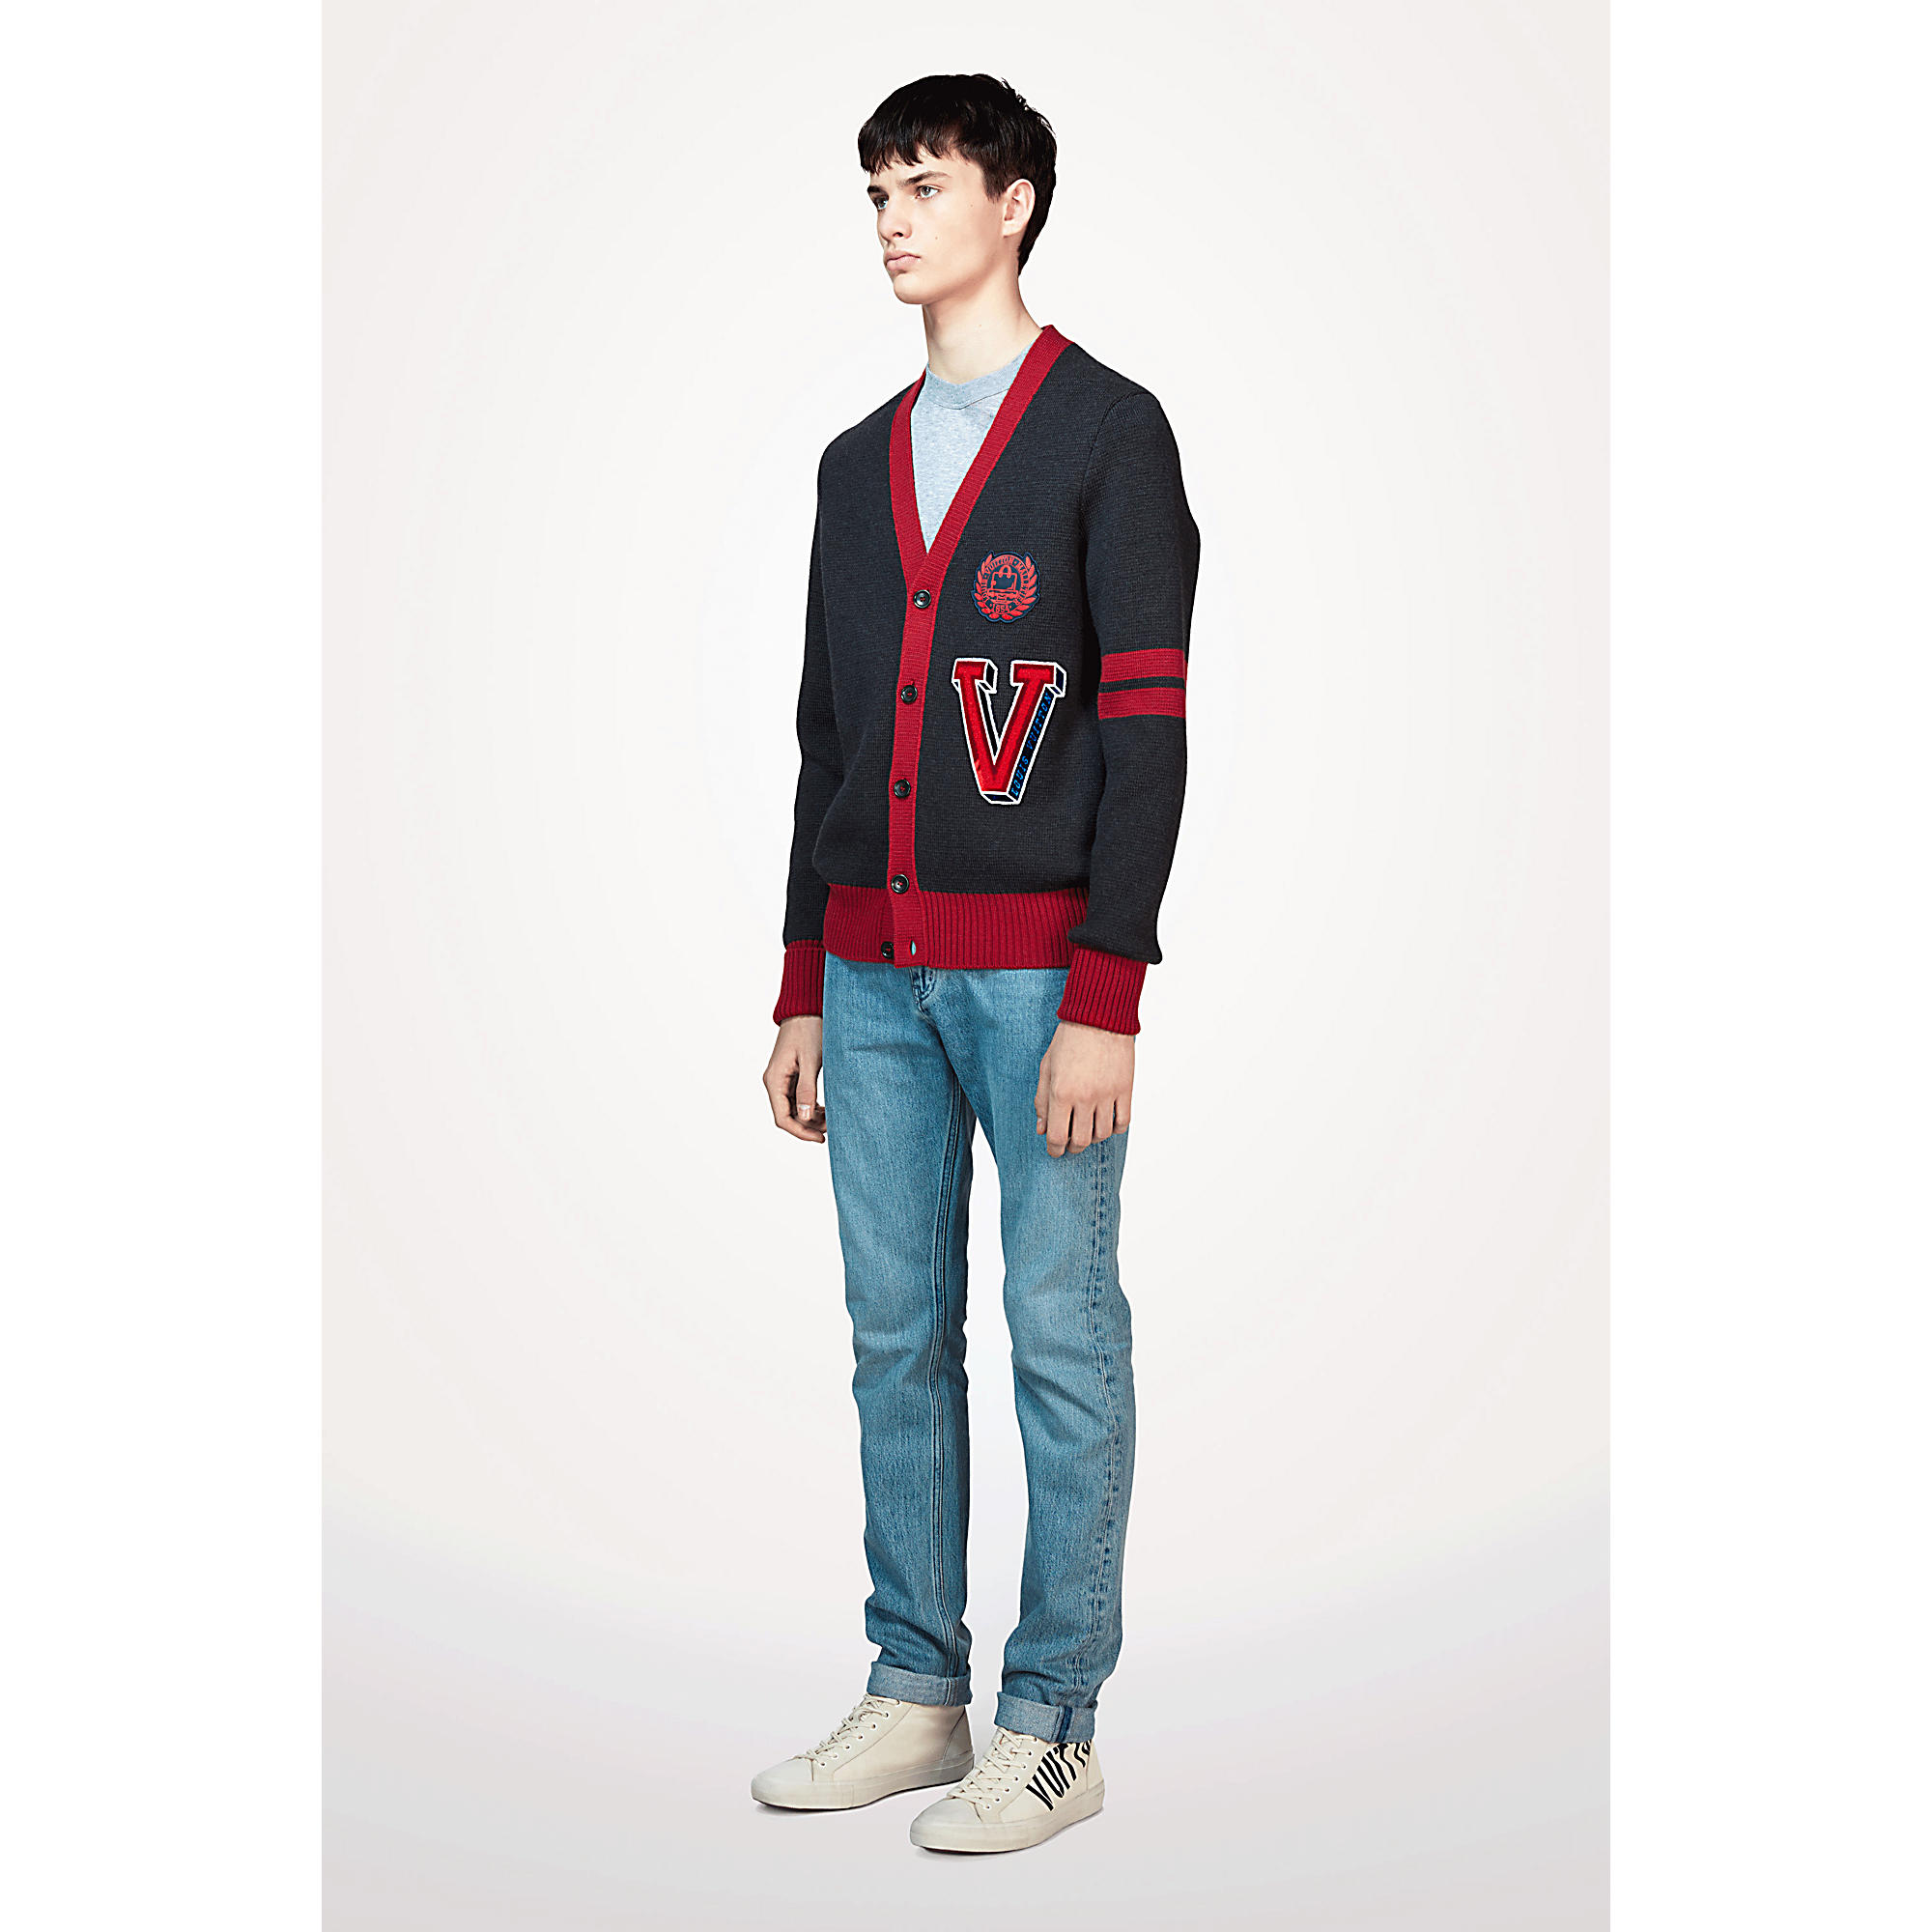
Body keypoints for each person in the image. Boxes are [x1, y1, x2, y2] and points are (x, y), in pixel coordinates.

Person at [753, 71, 1200, 1856]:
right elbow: (826, 740)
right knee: (894, 1338)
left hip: (1038, 985)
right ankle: (916, 1688)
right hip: (870, 980)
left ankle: (1052, 1719)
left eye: (924, 185)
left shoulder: (1109, 433)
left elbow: (1148, 735)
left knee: (1059, 1335)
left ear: (1012, 205)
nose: (891, 219)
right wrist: (802, 978)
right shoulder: (851, 466)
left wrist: (1108, 993)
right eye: (877, 190)